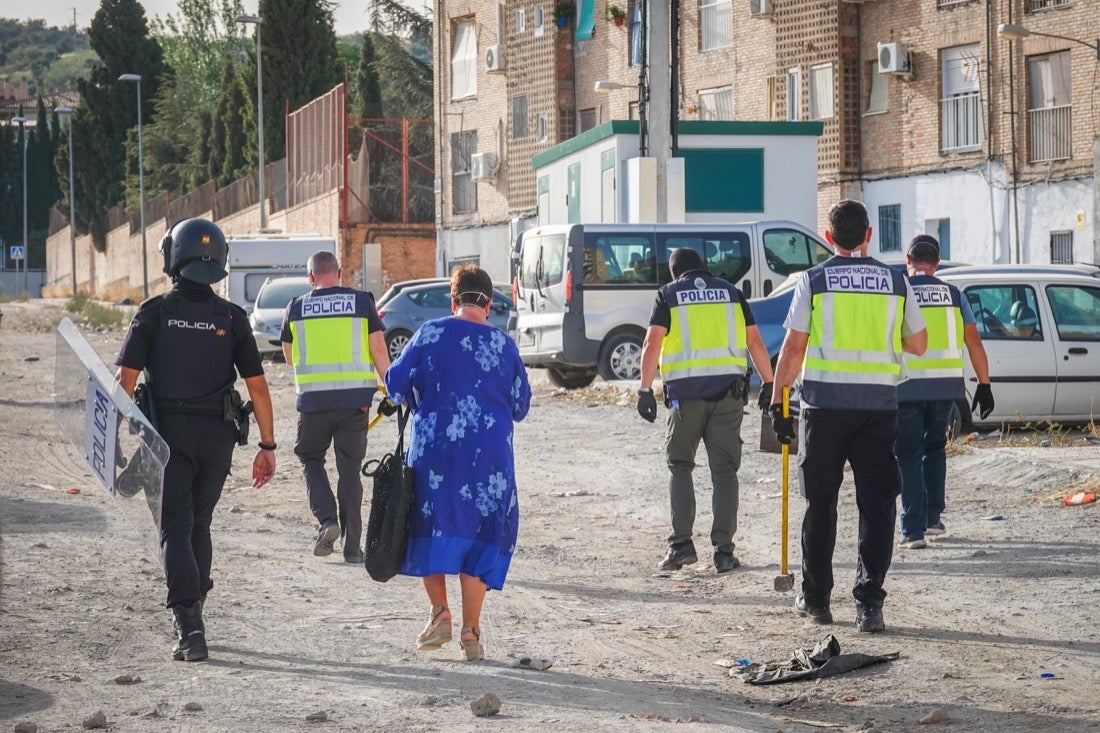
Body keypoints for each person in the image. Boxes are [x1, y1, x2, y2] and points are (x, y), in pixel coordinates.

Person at [115, 217, 277, 662]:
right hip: (218, 438)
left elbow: (124, 384)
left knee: (174, 529)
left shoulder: (154, 311)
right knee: (198, 526)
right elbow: (258, 388)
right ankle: (196, 612)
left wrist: (109, 439)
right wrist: (267, 447)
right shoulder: (232, 317)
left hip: (167, 437)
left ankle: (190, 629)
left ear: (172, 258)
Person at [770, 200, 927, 633]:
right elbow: (919, 345)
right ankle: (869, 605)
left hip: (824, 410)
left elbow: (795, 347)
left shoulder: (814, 280)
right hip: (878, 409)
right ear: (869, 235)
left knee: (820, 504)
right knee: (877, 506)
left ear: (828, 235)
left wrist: (777, 398)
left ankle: (817, 600)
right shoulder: (896, 281)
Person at [384, 264, 531, 661]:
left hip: (437, 454)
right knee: (480, 535)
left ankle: (439, 612)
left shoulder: (430, 332)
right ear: (489, 304)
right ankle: (471, 634)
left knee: (430, 525)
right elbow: (520, 407)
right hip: (490, 461)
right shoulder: (505, 346)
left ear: (454, 300)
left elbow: (394, 384)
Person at [637, 247, 776, 574]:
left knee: (680, 466)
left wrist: (644, 388)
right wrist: (769, 383)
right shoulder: (731, 293)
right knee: (725, 472)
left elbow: (651, 343)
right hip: (729, 397)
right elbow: (755, 342)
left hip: (685, 399)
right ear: (703, 267)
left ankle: (681, 545)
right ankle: (724, 553)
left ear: (676, 273)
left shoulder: (668, 295)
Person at [280, 250, 391, 564]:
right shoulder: (361, 302)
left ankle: (327, 520)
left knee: (310, 457)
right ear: (339, 273)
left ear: (311, 277)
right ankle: (353, 548)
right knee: (349, 472)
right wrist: (394, 388)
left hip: (313, 403)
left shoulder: (296, 308)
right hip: (355, 403)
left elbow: (289, 358)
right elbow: (379, 349)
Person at [896, 235, 993, 548]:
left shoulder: (899, 290)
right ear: (936, 265)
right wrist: (984, 384)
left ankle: (913, 530)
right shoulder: (954, 295)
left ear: (907, 261)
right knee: (935, 448)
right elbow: (973, 342)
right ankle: (933, 519)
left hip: (906, 388)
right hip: (945, 390)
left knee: (908, 454)